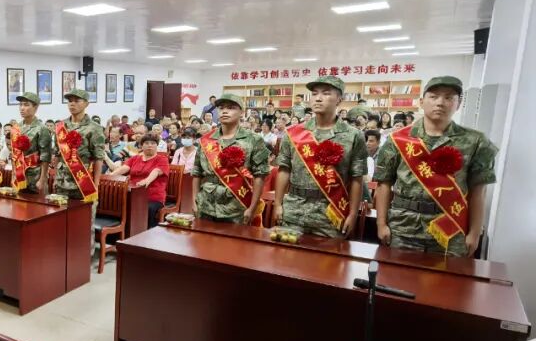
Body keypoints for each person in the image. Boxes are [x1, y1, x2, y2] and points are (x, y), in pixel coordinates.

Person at [373, 76, 498, 257]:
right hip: (403, 226)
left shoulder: (475, 141)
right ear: (421, 101)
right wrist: (381, 224)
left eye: (449, 97)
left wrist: (474, 233)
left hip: (451, 228)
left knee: (448, 275)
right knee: (398, 274)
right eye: (433, 96)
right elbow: (383, 184)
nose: (440, 102)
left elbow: (479, 191)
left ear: (459, 104)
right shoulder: (397, 139)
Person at [274, 76, 367, 238]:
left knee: (329, 255)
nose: (318, 98)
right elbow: (284, 170)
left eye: (326, 93)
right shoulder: (294, 133)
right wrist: (278, 204)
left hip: (331, 212)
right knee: (286, 252)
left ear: (339, 99)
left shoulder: (353, 135)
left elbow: (356, 178)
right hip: (294, 209)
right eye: (314, 93)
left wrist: (353, 214)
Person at [192, 94, 270, 225]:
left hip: (237, 207)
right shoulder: (206, 140)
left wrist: (252, 208)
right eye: (221, 108)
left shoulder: (254, 140)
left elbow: (260, 176)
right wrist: (194, 201)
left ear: (242, 112)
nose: (225, 111)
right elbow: (197, 172)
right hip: (206, 205)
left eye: (231, 108)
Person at [52, 89, 106, 215]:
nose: (72, 104)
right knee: (60, 219)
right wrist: (55, 178)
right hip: (62, 182)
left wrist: (96, 184)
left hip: (83, 181)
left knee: (84, 220)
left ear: (86, 104)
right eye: (70, 101)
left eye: (77, 101)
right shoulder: (61, 126)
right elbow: (57, 155)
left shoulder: (94, 128)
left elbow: (98, 158)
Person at [110, 134, 169, 227]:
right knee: (115, 203)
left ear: (157, 145)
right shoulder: (135, 158)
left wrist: (146, 180)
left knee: (146, 209)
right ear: (142, 145)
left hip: (153, 197)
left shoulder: (162, 159)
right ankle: (122, 231)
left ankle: (145, 232)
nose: (150, 145)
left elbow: (156, 171)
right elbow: (124, 168)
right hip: (132, 194)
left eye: (153, 143)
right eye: (146, 143)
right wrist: (109, 176)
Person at [10, 92, 52, 193]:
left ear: (35, 107)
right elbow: (14, 154)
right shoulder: (16, 128)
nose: (22, 108)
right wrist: (13, 174)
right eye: (20, 104)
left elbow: (45, 156)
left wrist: (42, 179)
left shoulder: (41, 128)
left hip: (35, 176)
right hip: (19, 175)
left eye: (26, 105)